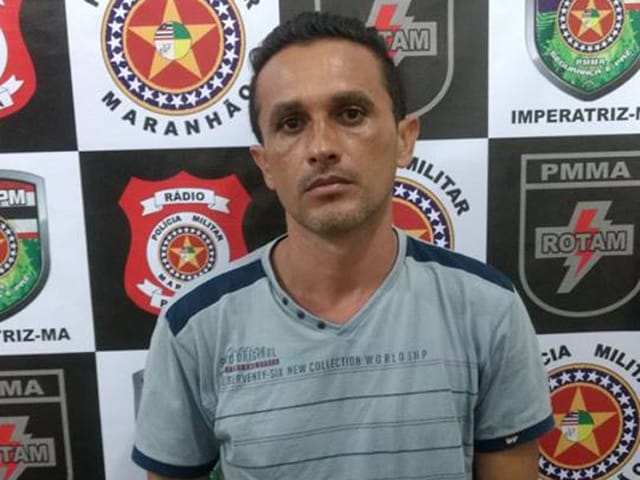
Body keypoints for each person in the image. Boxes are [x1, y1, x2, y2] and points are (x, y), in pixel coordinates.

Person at [132, 11, 553, 480]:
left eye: (351, 114)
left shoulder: (488, 309)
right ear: (265, 164)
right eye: (291, 123)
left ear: (404, 139)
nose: (322, 147)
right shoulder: (195, 326)